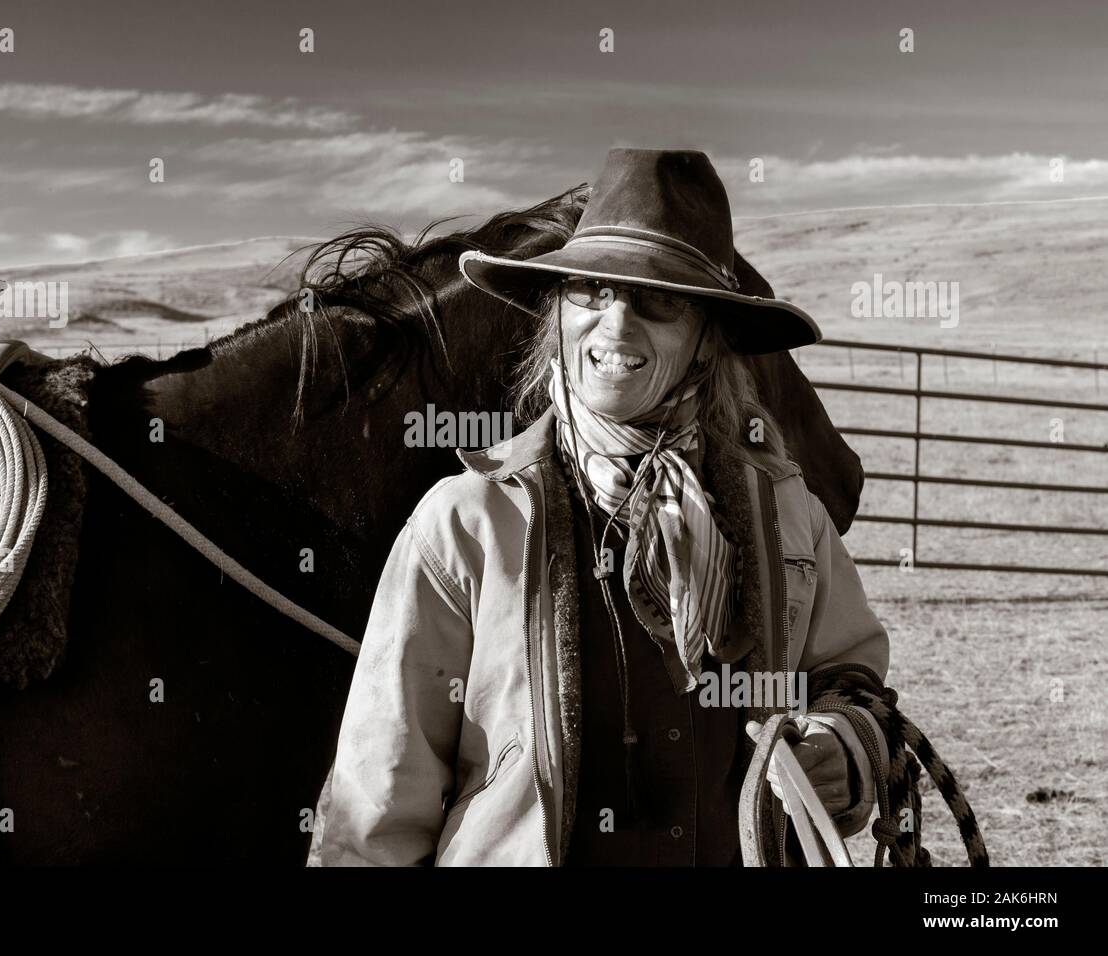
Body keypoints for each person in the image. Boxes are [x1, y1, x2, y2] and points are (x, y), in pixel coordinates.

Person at [307, 148, 889, 866]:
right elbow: (376, 810)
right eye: (589, 290)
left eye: (659, 300)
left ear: (706, 341)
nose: (615, 326)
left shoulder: (785, 516)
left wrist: (844, 746)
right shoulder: (466, 524)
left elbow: (851, 680)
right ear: (556, 315)